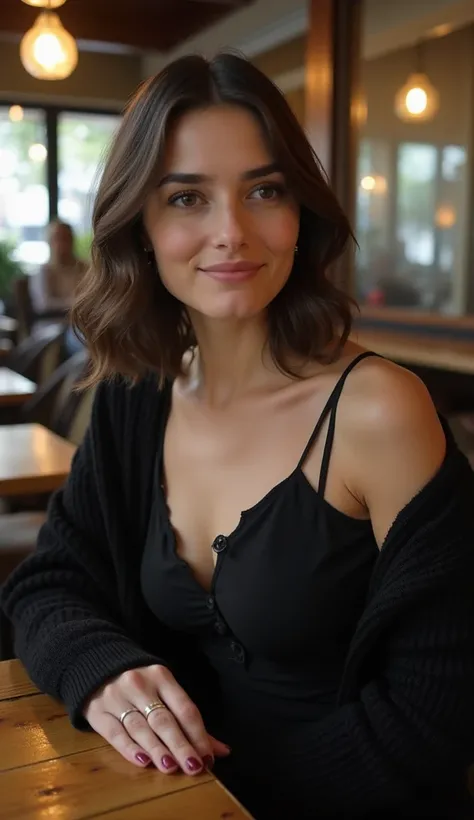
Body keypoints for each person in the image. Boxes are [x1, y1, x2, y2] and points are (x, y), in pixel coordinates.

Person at [2, 54, 474, 820]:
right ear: (141, 227)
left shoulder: (378, 411)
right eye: (187, 197)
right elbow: (48, 584)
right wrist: (101, 670)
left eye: (265, 189)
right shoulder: (138, 392)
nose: (232, 232)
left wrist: (212, 793)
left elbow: (438, 715)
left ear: (300, 212)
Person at [31, 219, 87, 354]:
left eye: (66, 238)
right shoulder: (44, 271)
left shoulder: (84, 267)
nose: (62, 243)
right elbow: (43, 304)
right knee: (81, 341)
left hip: (81, 324)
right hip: (52, 325)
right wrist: (74, 302)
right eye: (58, 238)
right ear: (50, 241)